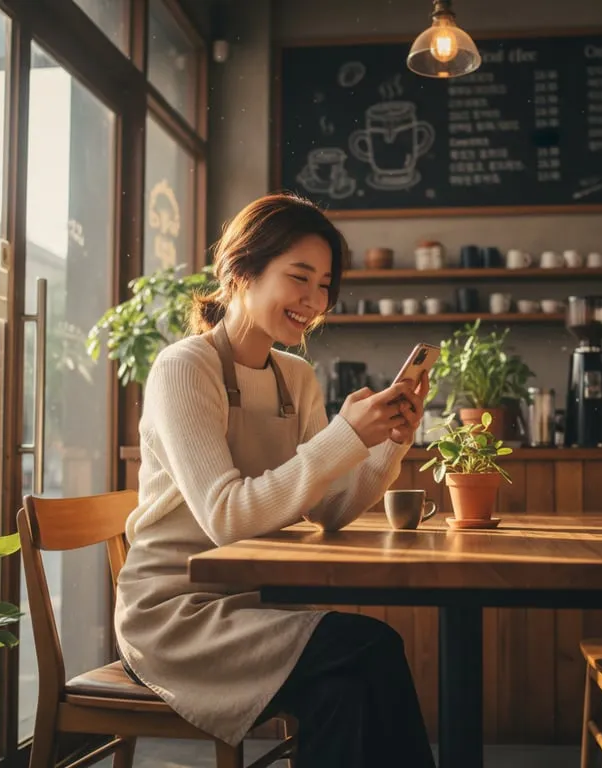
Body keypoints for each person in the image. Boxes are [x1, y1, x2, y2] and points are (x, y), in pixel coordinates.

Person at [114, 193, 436, 768]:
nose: (314, 300)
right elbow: (227, 518)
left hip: (258, 603)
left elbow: (330, 509)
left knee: (343, 692)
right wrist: (344, 436)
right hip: (175, 615)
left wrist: (390, 441)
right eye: (299, 278)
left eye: (325, 285)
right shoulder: (185, 367)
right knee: (373, 646)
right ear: (242, 270)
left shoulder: (297, 377)